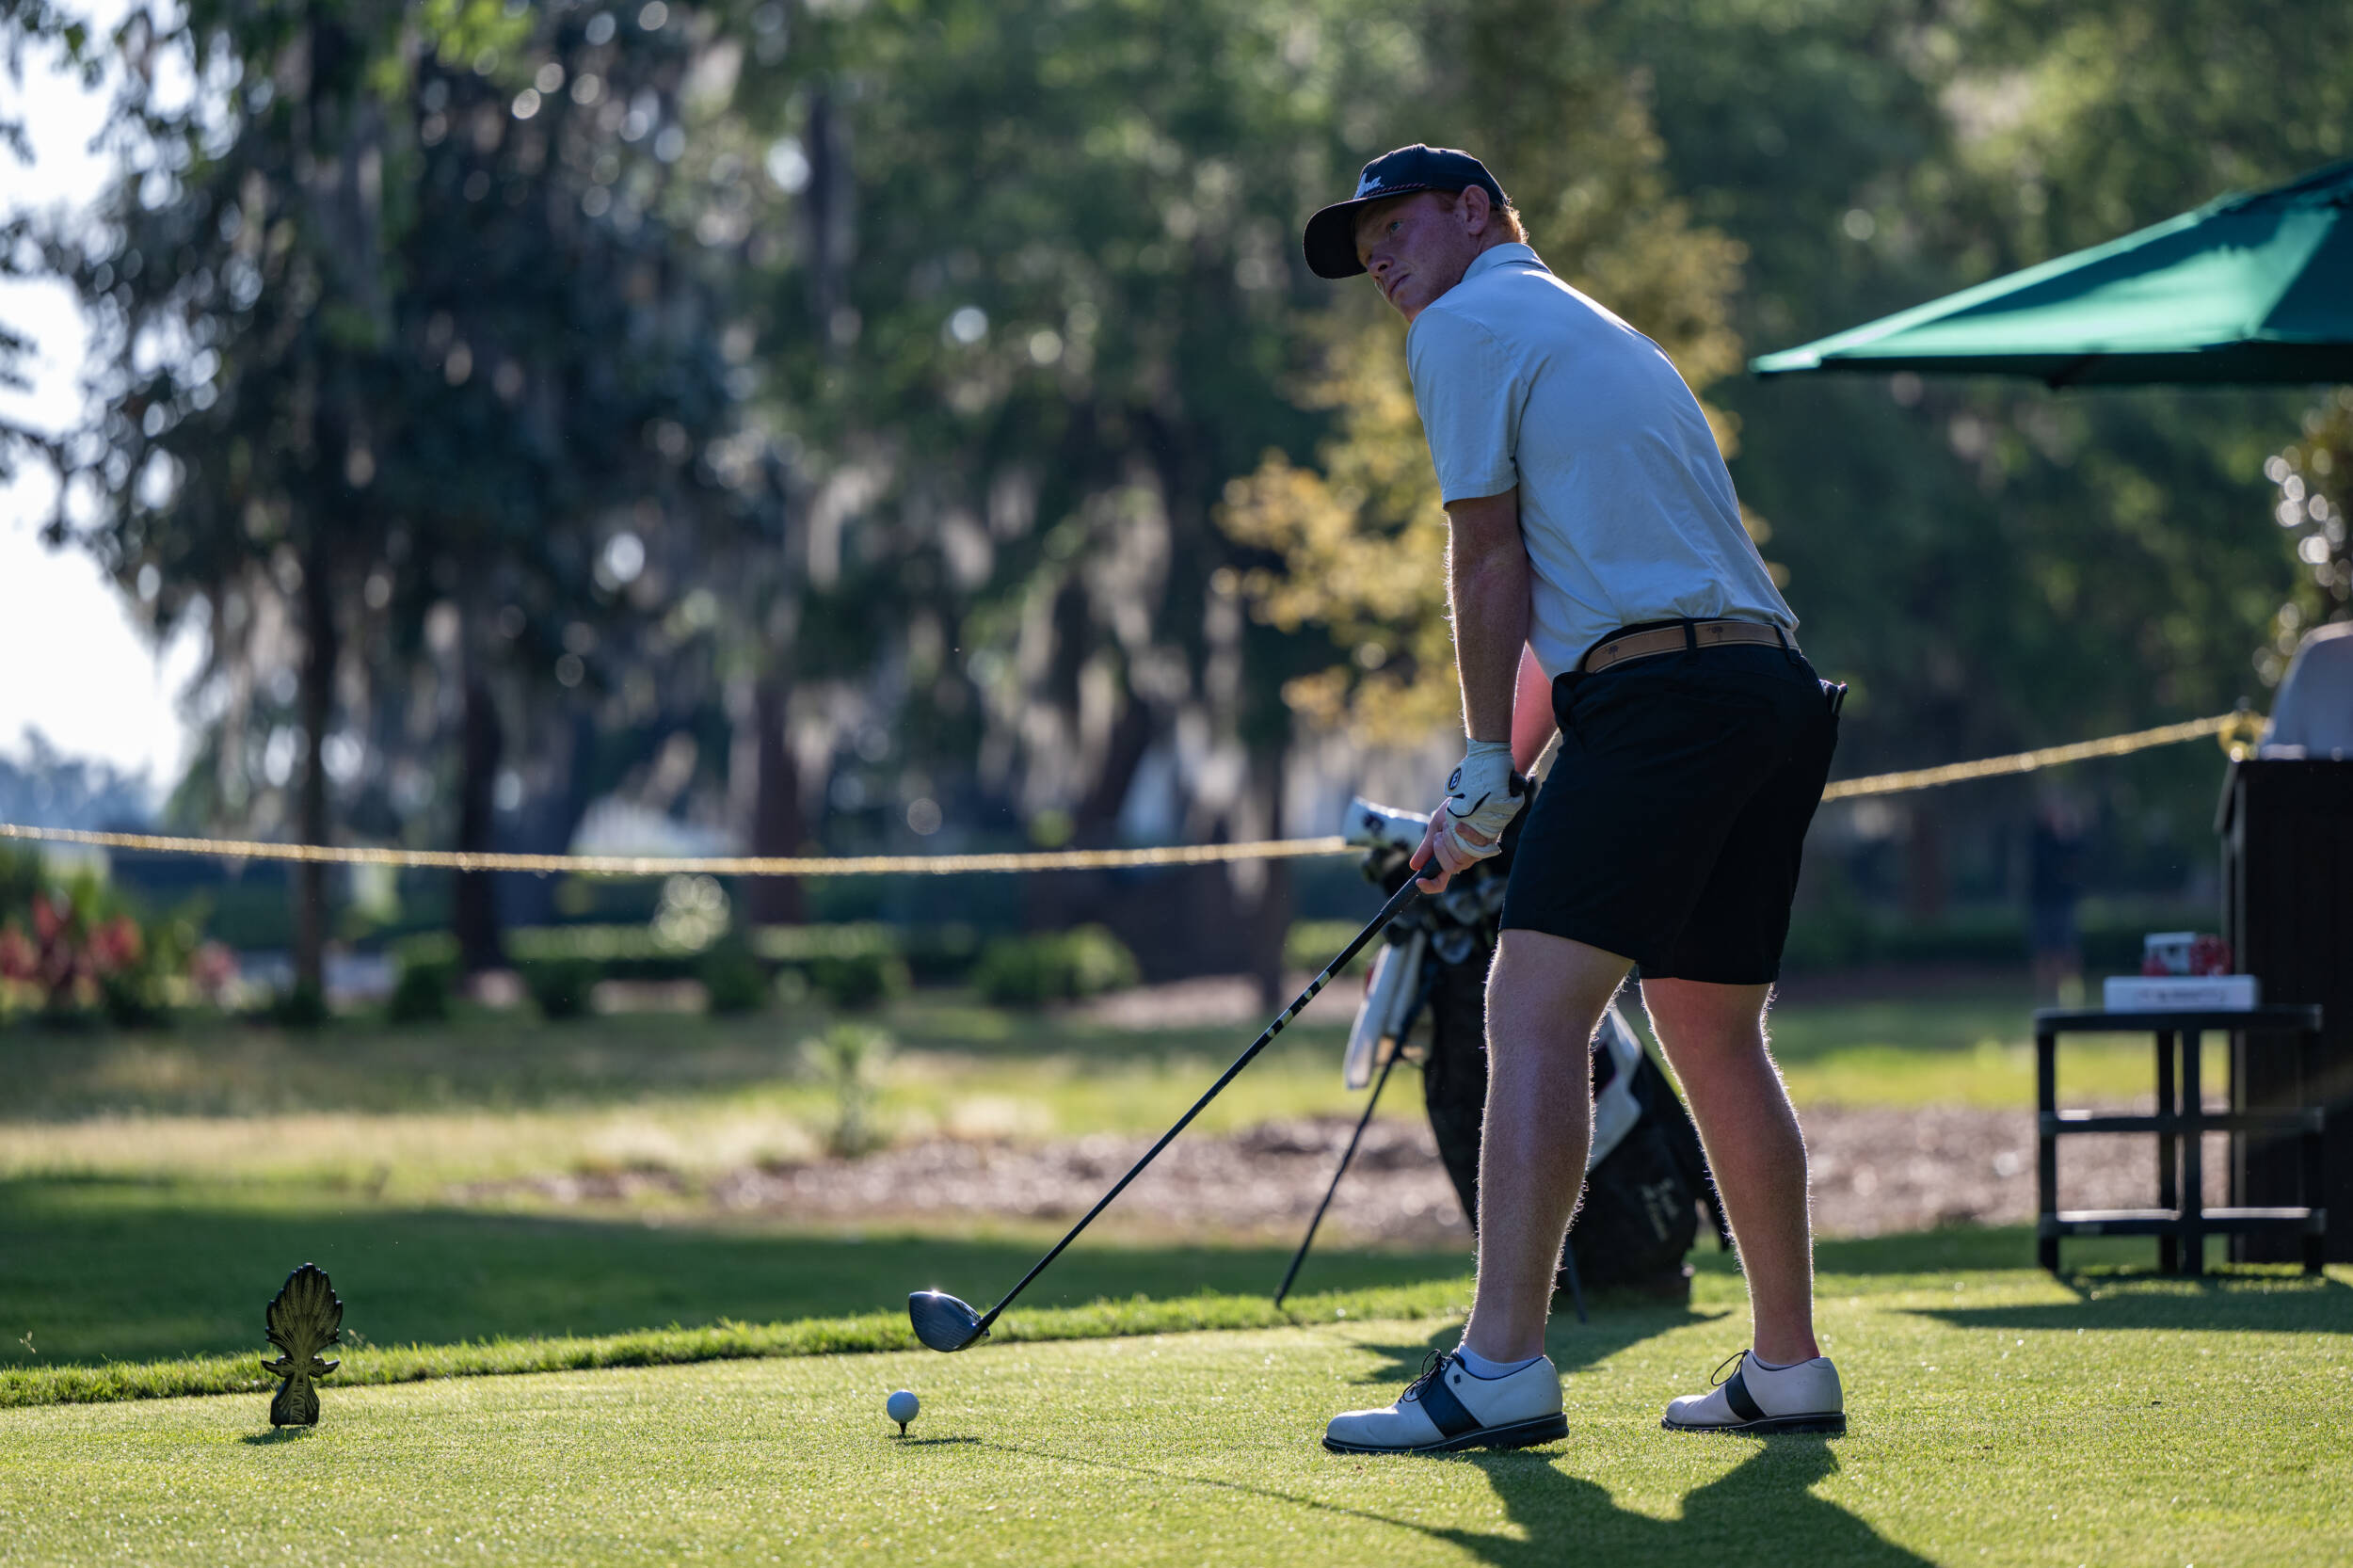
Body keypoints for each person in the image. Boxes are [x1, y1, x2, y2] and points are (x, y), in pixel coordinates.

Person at [1301, 145, 1846, 1453]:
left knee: (1528, 1006)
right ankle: (1788, 1365)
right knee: (1710, 1030)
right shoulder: (1593, 328)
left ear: (1475, 213)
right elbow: (1577, 610)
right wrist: (1487, 785)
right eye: (1360, 242)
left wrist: (1486, 765)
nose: (1377, 256)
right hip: (1763, 693)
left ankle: (1500, 1370)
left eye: (1394, 223)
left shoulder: (1463, 321)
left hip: (1664, 704)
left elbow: (1488, 562)